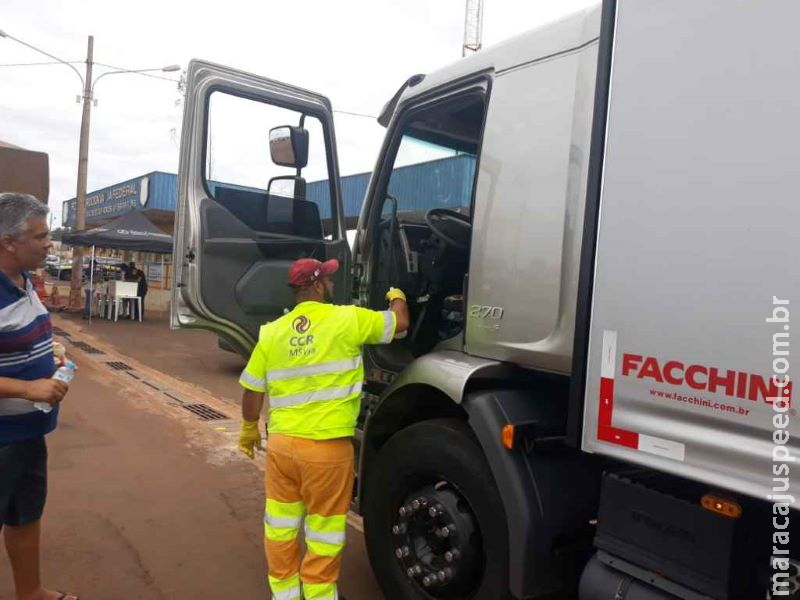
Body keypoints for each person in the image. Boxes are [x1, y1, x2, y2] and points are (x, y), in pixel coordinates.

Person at [238, 258, 409, 600]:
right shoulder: (347, 318)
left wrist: (248, 429)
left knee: (281, 527)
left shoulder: (272, 331)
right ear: (316, 285)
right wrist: (396, 295)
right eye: (328, 279)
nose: (332, 284)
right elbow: (400, 324)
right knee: (324, 532)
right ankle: (317, 595)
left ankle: (285, 595)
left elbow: (252, 390)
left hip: (283, 448)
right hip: (327, 452)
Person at [0, 193, 78, 600]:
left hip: (28, 430)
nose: (49, 243)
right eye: (41, 236)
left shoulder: (23, 280)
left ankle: (29, 592)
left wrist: (49, 350)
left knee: (25, 515)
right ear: (9, 242)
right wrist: (28, 387)